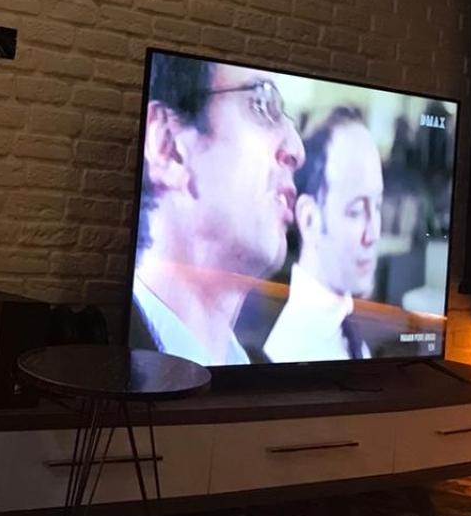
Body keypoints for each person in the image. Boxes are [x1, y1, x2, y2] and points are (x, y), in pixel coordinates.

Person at [131, 54, 305, 365]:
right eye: (261, 103)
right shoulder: (110, 359)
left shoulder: (264, 374)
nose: (296, 150)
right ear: (167, 145)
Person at [263, 107, 383, 363]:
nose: (373, 234)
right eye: (355, 211)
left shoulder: (346, 327)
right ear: (309, 219)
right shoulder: (289, 354)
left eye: (378, 205)